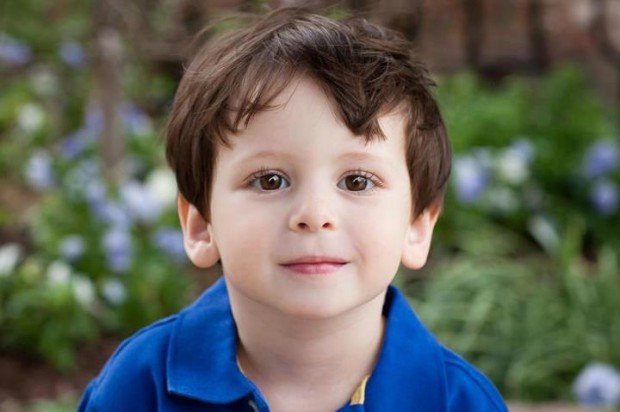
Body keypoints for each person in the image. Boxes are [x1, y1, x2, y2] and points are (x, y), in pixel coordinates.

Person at [79, 6, 508, 411]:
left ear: (416, 227)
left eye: (357, 181)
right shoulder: (140, 385)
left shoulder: (459, 401)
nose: (314, 213)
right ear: (200, 226)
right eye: (269, 180)